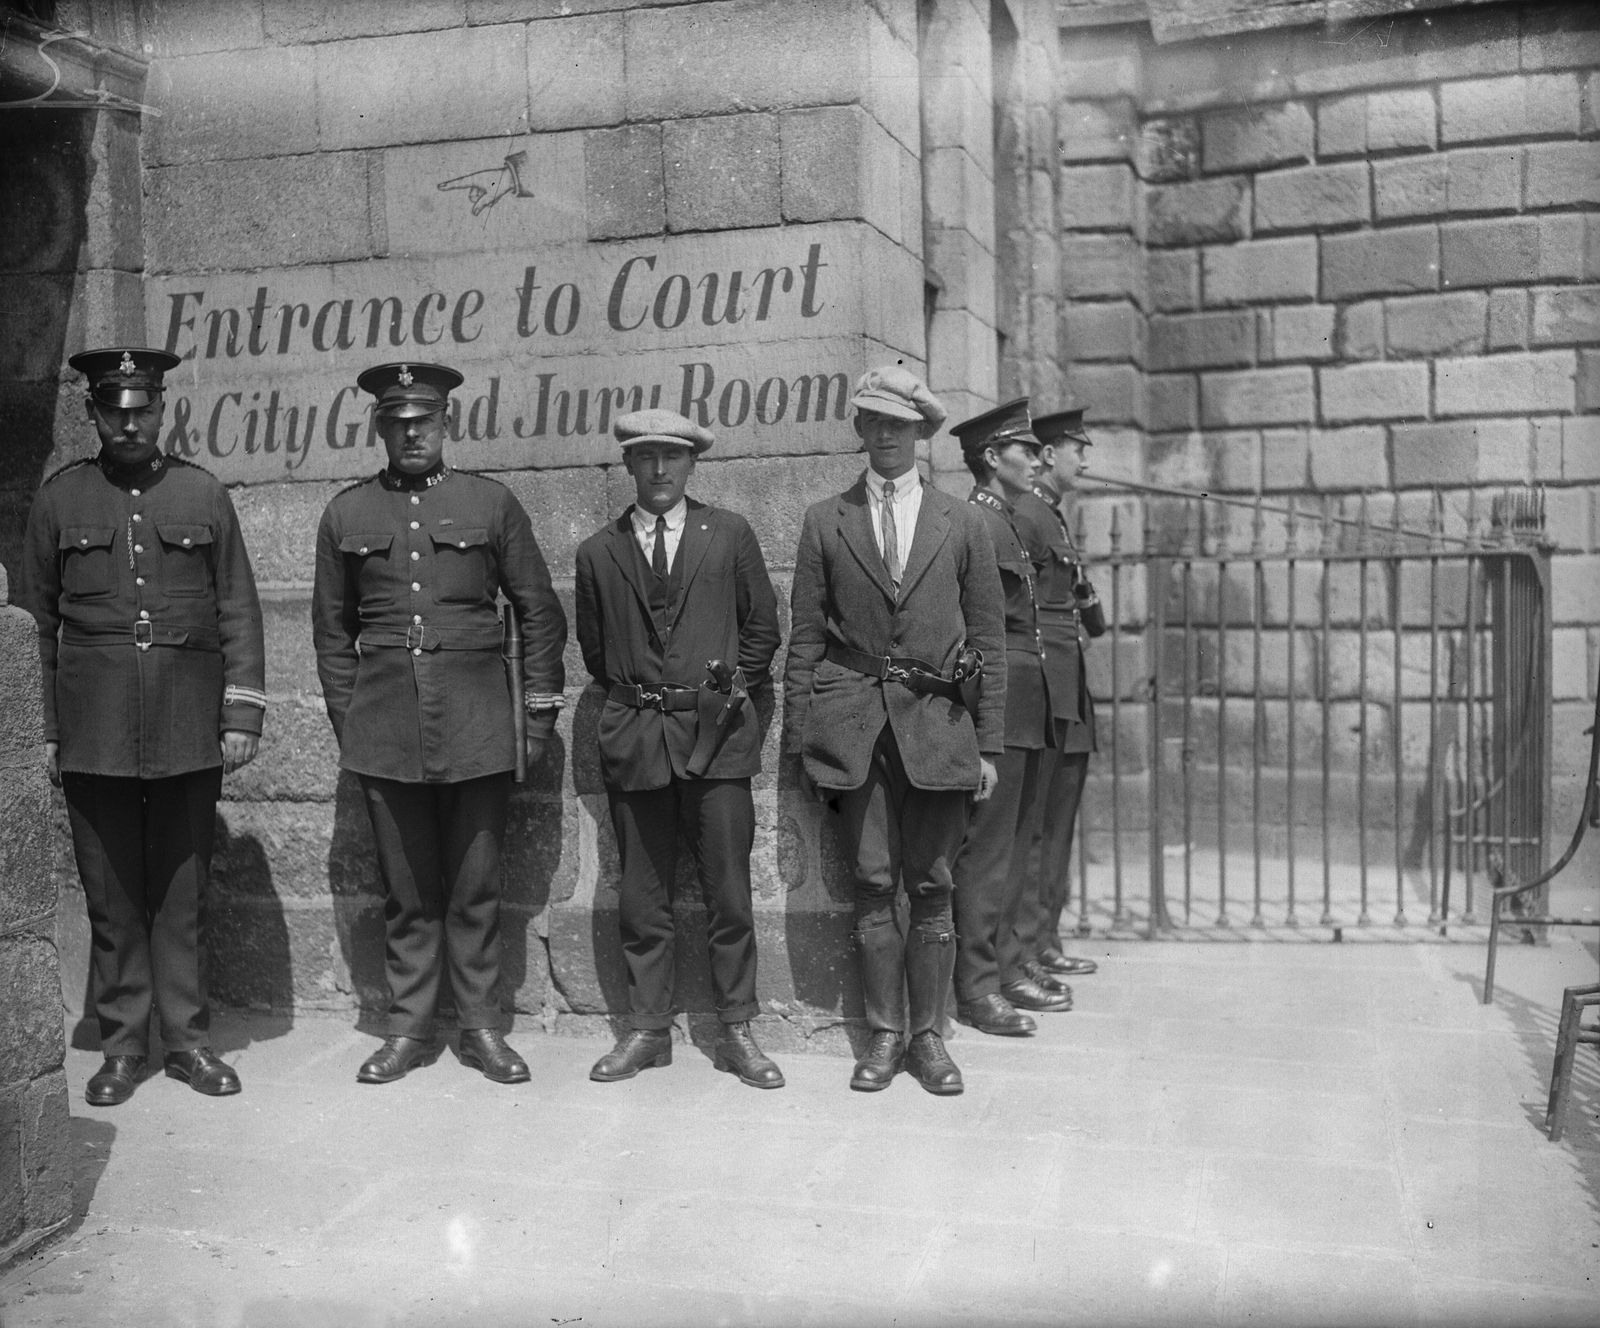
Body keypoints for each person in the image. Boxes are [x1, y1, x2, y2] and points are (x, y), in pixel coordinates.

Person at [20, 347, 266, 1106]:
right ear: (93, 415)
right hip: (94, 726)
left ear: (163, 411)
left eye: (142, 409)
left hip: (187, 720)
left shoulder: (201, 493)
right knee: (112, 894)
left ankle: (189, 1042)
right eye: (112, 410)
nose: (128, 422)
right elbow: (36, 626)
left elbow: (237, 606)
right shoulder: (62, 500)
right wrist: (46, 729)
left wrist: (241, 713)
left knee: (184, 890)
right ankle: (123, 1045)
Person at [311, 362, 566, 1086]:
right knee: (407, 887)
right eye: (398, 422)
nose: (412, 433)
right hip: (386, 727)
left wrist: (537, 714)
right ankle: (410, 1028)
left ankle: (483, 1026)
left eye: (424, 421)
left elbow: (539, 610)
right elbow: (332, 632)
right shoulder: (348, 514)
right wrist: (349, 719)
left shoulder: (489, 503)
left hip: (480, 723)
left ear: (447, 423)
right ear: (381, 428)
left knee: (477, 884)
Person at [784, 364, 1006, 1095]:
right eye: (873, 421)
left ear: (922, 434)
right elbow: (807, 640)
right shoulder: (826, 519)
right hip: (855, 730)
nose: (885, 435)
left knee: (933, 883)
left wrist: (991, 745)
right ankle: (883, 1033)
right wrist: (800, 743)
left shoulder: (964, 522)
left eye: (899, 425)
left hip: (939, 728)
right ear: (859, 430)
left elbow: (990, 641)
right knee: (875, 882)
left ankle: (929, 1038)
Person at [574, 409, 784, 1087]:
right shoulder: (598, 552)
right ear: (629, 467)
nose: (660, 471)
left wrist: (727, 694)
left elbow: (762, 631)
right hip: (637, 740)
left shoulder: (728, 534)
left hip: (715, 740)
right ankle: (646, 1029)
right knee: (642, 894)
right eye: (645, 458)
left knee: (728, 890)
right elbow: (600, 654)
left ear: (693, 463)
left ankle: (737, 1028)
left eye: (672, 457)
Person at [948, 399, 1072, 1038]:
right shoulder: (976, 522)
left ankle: (1008, 965)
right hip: (1001, 705)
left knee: (1019, 846)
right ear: (992, 458)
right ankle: (977, 986)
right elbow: (982, 635)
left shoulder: (1011, 524)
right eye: (1025, 449)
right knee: (990, 852)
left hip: (1029, 702)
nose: (1037, 458)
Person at [1011, 407, 1102, 980]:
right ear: (1048, 455)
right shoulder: (1029, 515)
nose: (1085, 460)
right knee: (1036, 826)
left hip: (1068, 689)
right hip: (1046, 690)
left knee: (1059, 821)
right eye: (1078, 449)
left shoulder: (1053, 517)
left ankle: (1045, 938)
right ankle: (1024, 948)